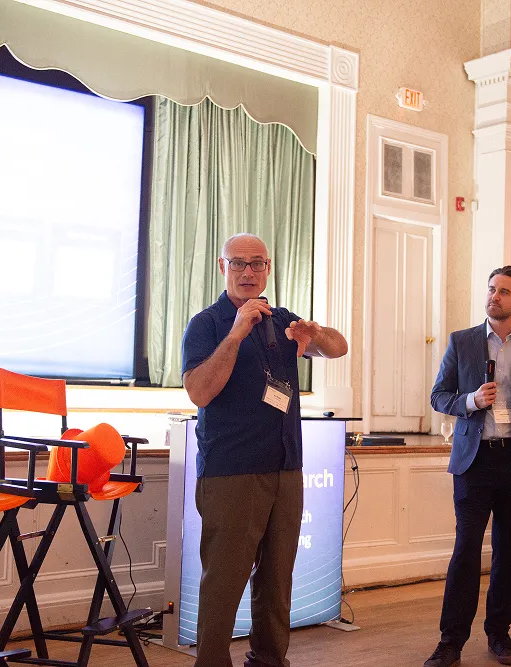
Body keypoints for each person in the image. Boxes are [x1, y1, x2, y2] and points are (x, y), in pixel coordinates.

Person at [181, 233, 348, 667]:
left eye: (257, 264)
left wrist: (316, 333)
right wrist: (236, 333)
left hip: (286, 467)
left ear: (268, 269)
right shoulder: (207, 324)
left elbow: (338, 348)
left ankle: (270, 660)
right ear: (223, 268)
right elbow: (199, 392)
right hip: (232, 471)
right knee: (224, 582)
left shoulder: (281, 318)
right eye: (238, 263)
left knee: (277, 581)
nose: (248, 272)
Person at [423, 266, 511, 667]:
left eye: (504, 292)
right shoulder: (461, 342)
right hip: (475, 461)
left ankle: (499, 634)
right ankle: (451, 641)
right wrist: (472, 401)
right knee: (466, 550)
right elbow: (438, 396)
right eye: (491, 289)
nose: (494, 296)